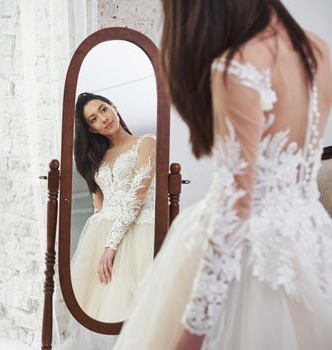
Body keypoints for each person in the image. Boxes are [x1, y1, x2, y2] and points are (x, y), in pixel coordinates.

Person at [113, 1, 332, 349]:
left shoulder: (238, 65)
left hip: (249, 260)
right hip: (309, 241)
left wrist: (192, 333)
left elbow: (236, 212)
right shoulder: (317, 49)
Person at [69, 92, 157, 324]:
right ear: (92, 130)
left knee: (138, 310)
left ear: (114, 107)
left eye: (103, 109)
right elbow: (99, 207)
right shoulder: (95, 158)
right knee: (102, 305)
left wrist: (111, 246)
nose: (103, 118)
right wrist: (97, 246)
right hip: (101, 234)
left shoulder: (146, 142)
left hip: (138, 230)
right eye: (93, 119)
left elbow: (136, 199)